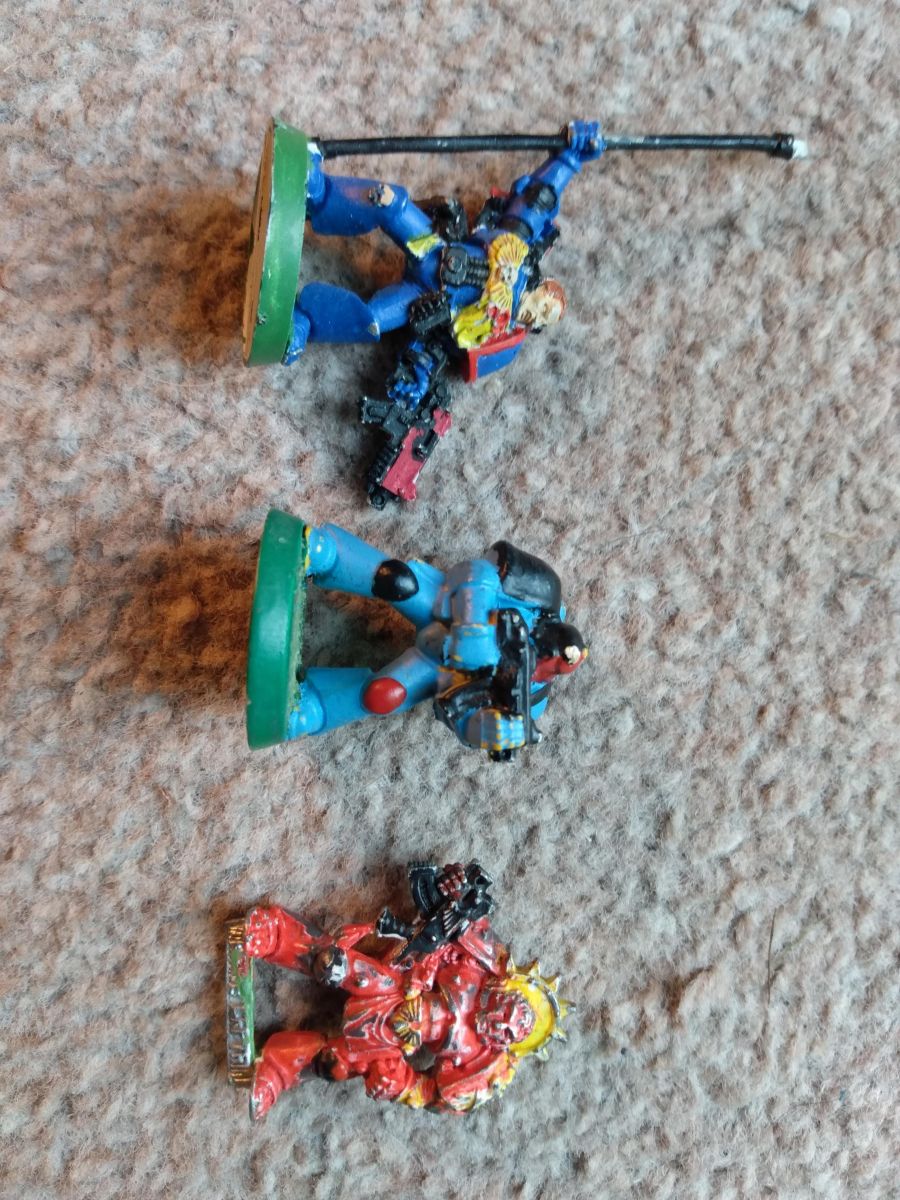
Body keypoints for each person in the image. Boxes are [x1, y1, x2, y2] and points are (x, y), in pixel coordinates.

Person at [283, 121, 604, 503]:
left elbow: (438, 347)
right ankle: (317, 192)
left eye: (543, 321)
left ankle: (302, 321)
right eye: (546, 306)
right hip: (432, 248)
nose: (538, 315)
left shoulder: (494, 330)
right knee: (389, 201)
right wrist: (570, 158)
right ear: (543, 286)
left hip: (421, 298)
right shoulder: (518, 252)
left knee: (371, 320)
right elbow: (537, 200)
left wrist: (415, 378)